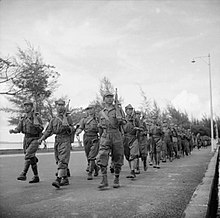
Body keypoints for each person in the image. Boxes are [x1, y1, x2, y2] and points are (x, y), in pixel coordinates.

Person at [38, 99, 75, 189]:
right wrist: (41, 139)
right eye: (59, 105)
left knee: (62, 160)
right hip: (57, 140)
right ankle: (65, 178)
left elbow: (73, 129)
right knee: (58, 160)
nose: (60, 107)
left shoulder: (68, 117)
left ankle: (58, 179)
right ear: (56, 106)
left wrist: (68, 128)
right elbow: (48, 131)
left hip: (65, 140)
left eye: (62, 105)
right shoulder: (53, 120)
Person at [9, 100, 43, 183]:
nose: (26, 107)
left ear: (31, 107)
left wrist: (36, 125)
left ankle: (23, 174)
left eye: (28, 106)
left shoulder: (36, 116)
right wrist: (14, 131)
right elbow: (19, 128)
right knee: (30, 157)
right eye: (25, 106)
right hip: (26, 139)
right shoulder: (23, 117)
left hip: (35, 138)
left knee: (28, 154)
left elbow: (41, 128)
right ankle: (36, 176)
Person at [96, 91, 125, 189]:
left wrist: (120, 120)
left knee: (117, 157)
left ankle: (116, 178)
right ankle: (104, 180)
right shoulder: (101, 113)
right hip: (105, 135)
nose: (109, 99)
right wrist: (101, 136)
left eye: (111, 97)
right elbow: (99, 126)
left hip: (116, 134)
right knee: (102, 156)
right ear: (104, 100)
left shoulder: (118, 109)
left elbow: (124, 123)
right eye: (107, 97)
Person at [75, 104, 100, 180]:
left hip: (95, 138)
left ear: (94, 109)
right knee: (88, 155)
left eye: (91, 109)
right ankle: (96, 168)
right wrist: (78, 132)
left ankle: (90, 172)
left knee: (92, 156)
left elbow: (101, 129)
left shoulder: (98, 119)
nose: (90, 110)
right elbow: (81, 127)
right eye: (88, 109)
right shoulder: (84, 119)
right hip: (86, 138)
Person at [123, 104, 140, 179]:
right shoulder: (123, 119)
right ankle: (131, 170)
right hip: (125, 139)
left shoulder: (135, 119)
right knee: (127, 156)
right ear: (126, 110)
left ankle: (133, 171)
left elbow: (142, 128)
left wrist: (137, 128)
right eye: (128, 109)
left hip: (133, 138)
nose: (130, 111)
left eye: (131, 109)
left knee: (133, 155)